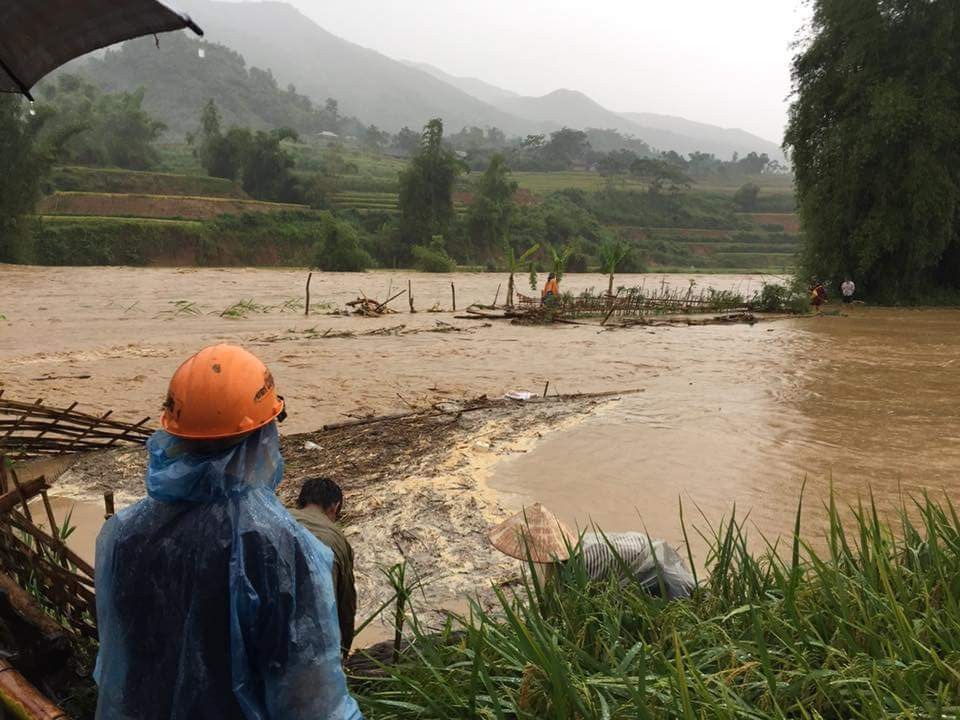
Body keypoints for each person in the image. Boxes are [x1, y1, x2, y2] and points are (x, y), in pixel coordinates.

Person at [93, 344, 362, 720]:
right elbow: (312, 700)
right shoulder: (280, 547)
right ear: (265, 433)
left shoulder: (125, 534)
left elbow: (119, 664)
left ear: (173, 434)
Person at [488, 504, 695, 600]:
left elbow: (579, 598)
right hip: (644, 550)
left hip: (658, 565)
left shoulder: (576, 566)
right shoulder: (570, 542)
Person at [290, 478, 357, 656]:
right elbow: (346, 605)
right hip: (314, 646)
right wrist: (344, 652)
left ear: (300, 502)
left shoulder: (276, 518)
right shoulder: (336, 540)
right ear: (335, 507)